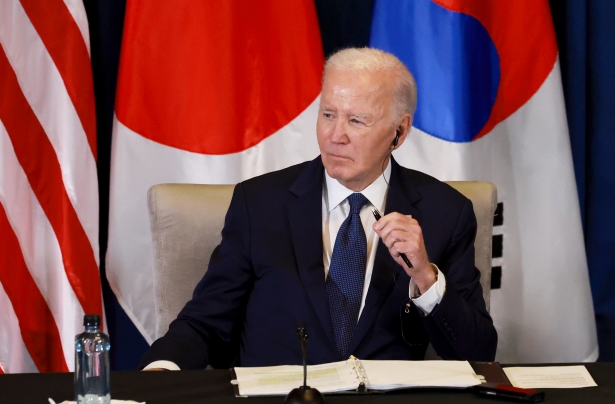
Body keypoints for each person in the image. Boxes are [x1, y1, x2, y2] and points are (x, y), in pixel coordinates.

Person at [140, 48, 497, 370]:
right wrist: (159, 374)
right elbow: (206, 324)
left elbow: (477, 354)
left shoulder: (445, 213)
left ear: (398, 133)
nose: (334, 135)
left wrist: (425, 278)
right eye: (328, 114)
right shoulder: (260, 204)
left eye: (356, 121)